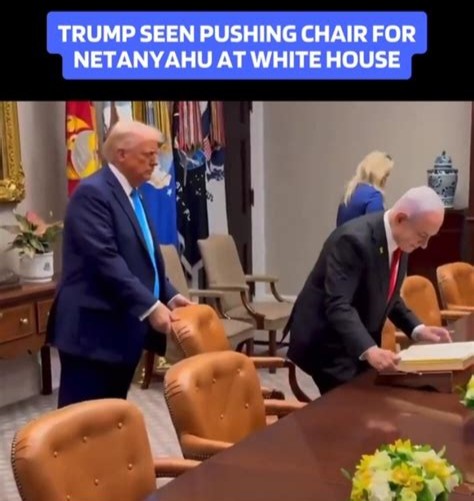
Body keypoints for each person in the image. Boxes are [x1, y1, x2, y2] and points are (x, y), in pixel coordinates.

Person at [46, 120, 192, 408]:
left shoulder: (134, 193)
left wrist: (169, 295)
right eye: (148, 154)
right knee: (85, 421)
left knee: (113, 417)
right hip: (92, 334)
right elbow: (105, 261)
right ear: (121, 154)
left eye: (156, 154)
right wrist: (151, 307)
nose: (155, 162)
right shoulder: (92, 194)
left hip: (121, 331)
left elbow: (143, 258)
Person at [285, 186, 451, 395]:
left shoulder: (402, 239)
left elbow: (389, 295)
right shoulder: (352, 240)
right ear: (401, 219)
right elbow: (338, 305)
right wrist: (369, 349)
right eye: (422, 235)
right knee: (356, 404)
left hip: (355, 339)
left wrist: (418, 329)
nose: (424, 245)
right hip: (326, 343)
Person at [336, 151, 394, 227]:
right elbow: (375, 228)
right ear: (380, 175)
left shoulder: (350, 192)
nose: (386, 180)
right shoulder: (374, 196)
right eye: (386, 175)